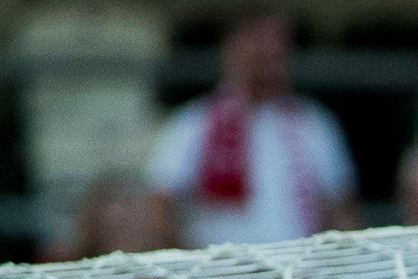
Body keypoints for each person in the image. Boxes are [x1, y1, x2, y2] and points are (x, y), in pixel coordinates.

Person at [146, 14, 357, 250]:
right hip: (218, 266)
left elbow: (341, 208)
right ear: (232, 50)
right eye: (257, 46)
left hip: (298, 265)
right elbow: (161, 203)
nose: (266, 56)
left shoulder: (313, 123)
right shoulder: (195, 122)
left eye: (275, 49)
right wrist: (192, 261)